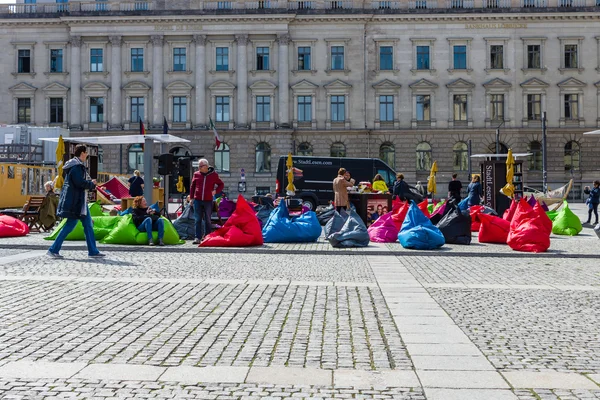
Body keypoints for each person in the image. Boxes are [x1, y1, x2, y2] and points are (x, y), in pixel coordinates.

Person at [47, 145, 105, 258]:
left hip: (80, 202)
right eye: (86, 153)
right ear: (82, 153)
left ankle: (93, 251)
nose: (87, 155)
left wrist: (90, 184)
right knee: (70, 225)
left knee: (87, 225)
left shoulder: (74, 166)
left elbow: (80, 182)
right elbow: (79, 183)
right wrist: (91, 184)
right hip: (77, 202)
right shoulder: (77, 167)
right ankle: (53, 249)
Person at [188, 158, 224, 244]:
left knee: (208, 219)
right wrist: (192, 198)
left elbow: (221, 184)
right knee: (197, 219)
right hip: (197, 200)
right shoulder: (196, 174)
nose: (199, 168)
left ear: (206, 166)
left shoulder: (213, 175)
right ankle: (197, 237)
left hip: (208, 200)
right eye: (198, 166)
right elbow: (192, 187)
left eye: (201, 166)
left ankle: (207, 236)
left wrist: (215, 191)